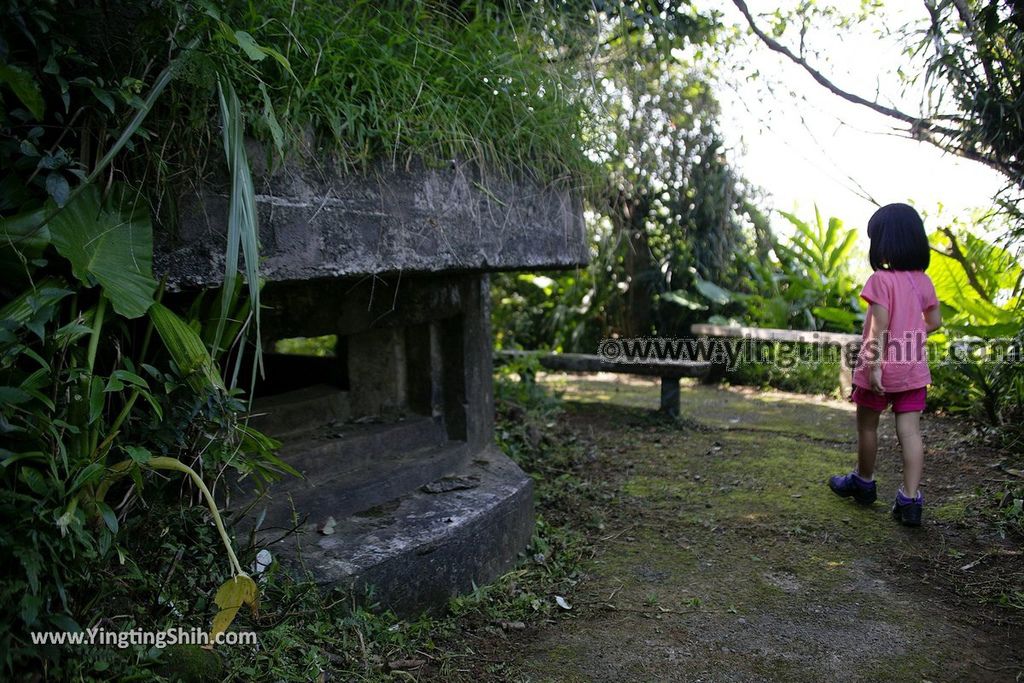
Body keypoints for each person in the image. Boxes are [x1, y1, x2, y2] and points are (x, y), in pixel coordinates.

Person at [828, 203, 941, 527]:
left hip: (879, 367)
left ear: (884, 242)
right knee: (910, 433)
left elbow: (879, 327)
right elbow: (933, 321)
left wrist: (875, 366)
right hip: (912, 368)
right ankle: (909, 500)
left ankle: (863, 483)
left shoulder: (881, 280)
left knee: (867, 426)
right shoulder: (923, 281)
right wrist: (911, 333)